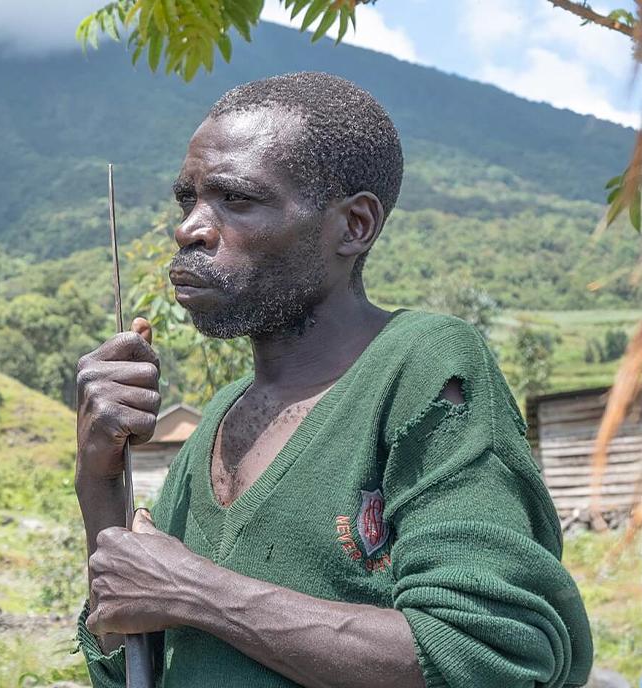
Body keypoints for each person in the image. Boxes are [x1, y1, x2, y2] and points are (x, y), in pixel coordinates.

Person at [74, 72, 592, 688]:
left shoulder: (424, 367)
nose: (190, 228)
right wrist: (98, 480)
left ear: (354, 226)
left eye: (236, 199)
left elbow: (485, 656)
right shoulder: (219, 418)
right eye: (188, 200)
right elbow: (135, 668)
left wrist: (197, 592)